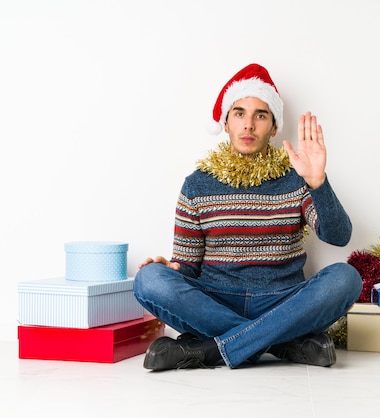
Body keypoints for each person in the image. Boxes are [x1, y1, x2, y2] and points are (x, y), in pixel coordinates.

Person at [133, 63, 362, 371]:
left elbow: (338, 236)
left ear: (275, 126)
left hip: (283, 298)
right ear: (226, 123)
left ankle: (210, 350)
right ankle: (281, 341)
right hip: (217, 300)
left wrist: (318, 183)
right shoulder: (197, 184)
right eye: (239, 113)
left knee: (345, 278)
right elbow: (187, 266)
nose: (249, 125)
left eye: (261, 115)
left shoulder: (296, 179)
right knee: (148, 279)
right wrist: (171, 270)